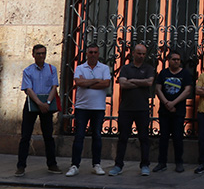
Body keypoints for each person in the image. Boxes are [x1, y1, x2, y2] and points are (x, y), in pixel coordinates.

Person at [66, 44, 112, 177]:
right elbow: (79, 83)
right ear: (86, 54)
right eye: (90, 52)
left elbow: (106, 84)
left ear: (98, 54)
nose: (92, 54)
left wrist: (88, 82)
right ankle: (75, 165)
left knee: (97, 136)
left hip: (98, 108)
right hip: (82, 107)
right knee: (79, 136)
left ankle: (96, 164)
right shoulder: (80, 68)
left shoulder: (104, 68)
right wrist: (97, 80)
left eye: (95, 52)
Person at [110, 43, 154, 177]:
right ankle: (118, 165)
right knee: (123, 137)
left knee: (144, 138)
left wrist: (132, 81)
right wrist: (140, 82)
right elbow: (123, 83)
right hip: (126, 108)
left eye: (143, 54)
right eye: (139, 53)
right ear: (133, 53)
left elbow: (149, 82)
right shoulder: (125, 68)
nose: (141, 56)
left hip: (142, 108)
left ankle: (145, 165)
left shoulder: (149, 68)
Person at [16, 44, 61, 176]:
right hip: (32, 104)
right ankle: (21, 166)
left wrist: (46, 103)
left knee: (48, 136)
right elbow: (28, 89)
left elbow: (54, 87)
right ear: (33, 55)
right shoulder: (28, 71)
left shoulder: (52, 69)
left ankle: (52, 164)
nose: (41, 56)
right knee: (26, 136)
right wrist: (39, 103)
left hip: (46, 105)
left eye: (43, 53)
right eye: (39, 53)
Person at [154, 50, 193, 173]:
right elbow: (158, 89)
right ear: (169, 61)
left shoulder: (185, 74)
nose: (176, 62)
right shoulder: (163, 73)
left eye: (178, 60)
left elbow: (187, 91)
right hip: (164, 111)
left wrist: (173, 103)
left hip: (178, 111)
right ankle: (162, 163)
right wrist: (166, 102)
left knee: (178, 138)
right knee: (163, 137)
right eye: (174, 59)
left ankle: (179, 162)